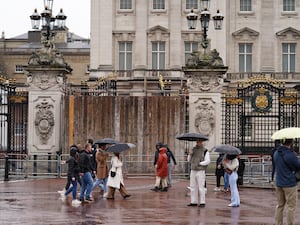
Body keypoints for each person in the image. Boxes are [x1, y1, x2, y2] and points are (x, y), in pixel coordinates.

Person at [274, 139, 300, 225]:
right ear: (291, 143)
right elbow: (298, 165)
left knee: (280, 205)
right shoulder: (290, 154)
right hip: (289, 183)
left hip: (278, 182)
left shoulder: (276, 153)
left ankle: (278, 223)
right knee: (291, 206)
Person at [187, 138, 210, 207]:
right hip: (193, 169)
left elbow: (208, 161)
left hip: (200, 170)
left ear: (202, 142)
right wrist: (190, 154)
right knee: (193, 186)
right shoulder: (193, 150)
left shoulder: (205, 151)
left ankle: (202, 201)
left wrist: (200, 163)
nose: (198, 143)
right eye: (197, 141)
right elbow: (189, 160)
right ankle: (193, 201)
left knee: (201, 186)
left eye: (199, 141)